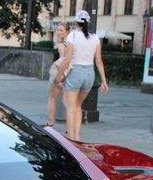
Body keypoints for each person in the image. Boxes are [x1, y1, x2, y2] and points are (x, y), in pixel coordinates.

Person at [55, 10, 108, 141]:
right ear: (88, 22)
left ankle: (71, 140)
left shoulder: (72, 36)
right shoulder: (95, 38)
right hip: (90, 73)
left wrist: (58, 77)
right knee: (78, 105)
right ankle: (77, 136)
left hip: (75, 72)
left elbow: (67, 59)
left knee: (71, 108)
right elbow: (99, 61)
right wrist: (104, 81)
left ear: (75, 23)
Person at [46, 23, 71, 127]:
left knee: (51, 99)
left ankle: (50, 124)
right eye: (57, 30)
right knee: (67, 103)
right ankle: (71, 126)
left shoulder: (62, 45)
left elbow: (62, 60)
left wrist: (60, 79)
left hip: (58, 74)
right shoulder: (71, 45)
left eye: (61, 30)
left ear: (67, 31)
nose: (58, 32)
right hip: (69, 75)